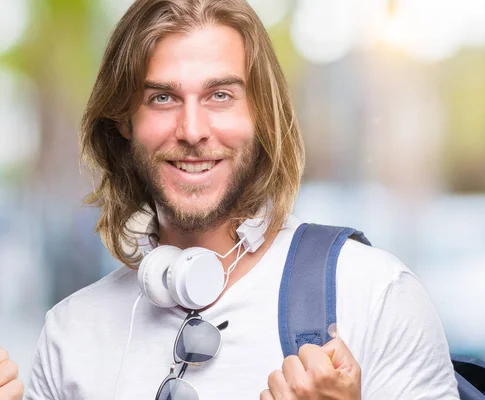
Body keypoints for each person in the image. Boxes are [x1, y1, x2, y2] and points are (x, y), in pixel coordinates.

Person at [22, 0, 460, 398]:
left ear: (262, 115)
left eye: (220, 95)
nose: (192, 130)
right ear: (124, 121)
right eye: (162, 97)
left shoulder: (373, 295)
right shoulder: (70, 336)